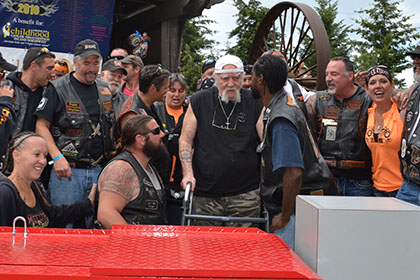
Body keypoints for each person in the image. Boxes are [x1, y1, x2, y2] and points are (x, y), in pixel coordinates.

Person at [251, 54, 336, 249]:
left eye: (254, 76)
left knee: (288, 269)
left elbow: (293, 172)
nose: (251, 82)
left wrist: (284, 216)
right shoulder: (283, 105)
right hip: (300, 207)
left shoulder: (281, 117)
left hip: (295, 214)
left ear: (261, 79)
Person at [179, 54, 264, 227]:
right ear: (216, 78)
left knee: (243, 249)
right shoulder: (199, 100)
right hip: (206, 193)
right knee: (205, 248)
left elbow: (266, 142)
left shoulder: (255, 102)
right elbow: (186, 141)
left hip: (245, 193)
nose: (231, 83)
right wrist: (188, 173)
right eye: (225, 78)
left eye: (236, 78)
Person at [34, 39, 114, 218]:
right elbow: (41, 126)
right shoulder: (57, 87)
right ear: (75, 62)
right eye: (86, 63)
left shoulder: (105, 89)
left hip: (100, 171)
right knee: (64, 227)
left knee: (95, 229)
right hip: (68, 173)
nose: (92, 68)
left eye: (96, 63)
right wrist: (58, 157)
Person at [306, 57, 374, 196]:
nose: (328, 79)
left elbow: (391, 97)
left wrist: (398, 95)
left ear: (350, 76)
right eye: (326, 74)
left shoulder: (368, 100)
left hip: (360, 181)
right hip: (326, 178)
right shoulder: (317, 100)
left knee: (357, 219)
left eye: (334, 74)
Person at [0, 132, 94, 227]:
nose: (43, 161)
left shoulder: (35, 186)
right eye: (36, 154)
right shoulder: (5, 192)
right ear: (16, 155)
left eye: (45, 155)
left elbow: (54, 215)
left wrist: (89, 203)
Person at [97, 115, 168, 228]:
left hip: (149, 242)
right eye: (156, 131)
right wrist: (132, 242)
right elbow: (106, 214)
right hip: (129, 243)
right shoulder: (121, 169)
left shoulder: (148, 167)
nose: (162, 134)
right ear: (141, 139)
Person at [0, 47, 55, 169]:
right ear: (34, 66)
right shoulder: (6, 88)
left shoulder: (51, 91)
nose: (53, 74)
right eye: (49, 68)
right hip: (6, 164)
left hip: (35, 165)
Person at [364, 66, 404, 197]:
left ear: (392, 86)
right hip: (376, 188)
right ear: (366, 89)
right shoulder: (369, 113)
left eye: (383, 81)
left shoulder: (402, 111)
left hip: (403, 189)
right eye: (372, 82)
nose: (378, 86)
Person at [155, 73, 188, 224]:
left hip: (182, 178)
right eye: (172, 90)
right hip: (159, 176)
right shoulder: (156, 110)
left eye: (180, 91)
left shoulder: (190, 113)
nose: (176, 95)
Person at [116, 64, 171, 137]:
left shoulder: (149, 104)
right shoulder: (132, 115)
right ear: (153, 89)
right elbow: (134, 146)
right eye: (165, 88)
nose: (168, 90)